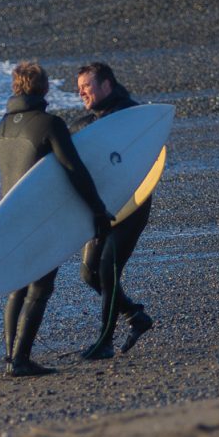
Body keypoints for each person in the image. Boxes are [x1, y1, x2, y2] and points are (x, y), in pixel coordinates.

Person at [0, 61, 113, 377]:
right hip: (40, 216)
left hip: (7, 215)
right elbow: (74, 169)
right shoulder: (50, 124)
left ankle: (11, 356)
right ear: (44, 89)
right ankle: (20, 360)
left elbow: (3, 171)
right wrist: (97, 209)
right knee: (41, 286)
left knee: (18, 285)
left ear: (16, 88)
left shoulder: (2, 127)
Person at [74, 62, 155, 360]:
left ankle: (104, 341)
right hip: (102, 207)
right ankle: (135, 315)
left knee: (107, 268)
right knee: (89, 273)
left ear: (107, 85)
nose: (81, 92)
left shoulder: (131, 117)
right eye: (79, 87)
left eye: (87, 86)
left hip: (131, 205)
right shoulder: (91, 121)